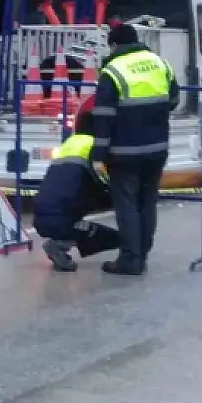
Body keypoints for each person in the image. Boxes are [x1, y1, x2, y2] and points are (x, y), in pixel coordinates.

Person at [91, 23, 179, 276]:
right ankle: (143, 252)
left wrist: (98, 156)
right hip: (157, 148)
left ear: (115, 45)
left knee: (126, 203)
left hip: (125, 152)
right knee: (147, 201)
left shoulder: (112, 71)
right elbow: (173, 100)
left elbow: (104, 117)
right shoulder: (160, 63)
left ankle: (131, 259)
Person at [34, 96, 121, 272]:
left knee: (77, 209)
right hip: (61, 220)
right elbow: (108, 184)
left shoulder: (69, 144)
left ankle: (60, 243)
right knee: (119, 238)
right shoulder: (94, 148)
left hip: (40, 216)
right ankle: (58, 245)